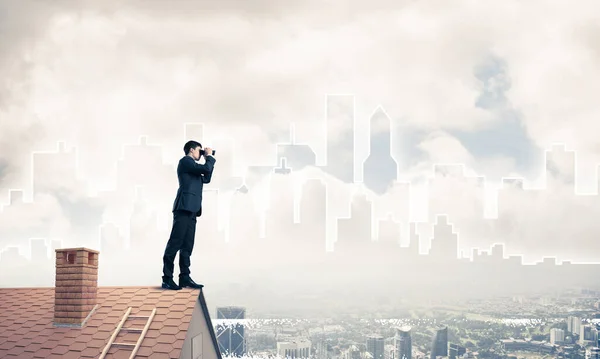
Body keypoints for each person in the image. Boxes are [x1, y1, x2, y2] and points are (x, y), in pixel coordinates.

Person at [161, 140, 216, 290]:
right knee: (175, 243)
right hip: (184, 207)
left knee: (187, 245)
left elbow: (207, 177)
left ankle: (184, 277)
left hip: (193, 209)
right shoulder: (185, 162)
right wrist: (209, 157)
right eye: (200, 150)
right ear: (191, 150)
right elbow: (206, 168)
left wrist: (208, 159)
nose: (201, 153)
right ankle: (167, 278)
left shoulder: (195, 169)